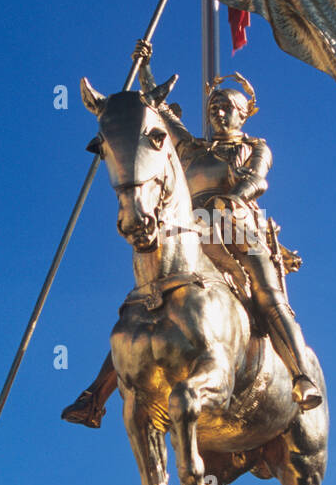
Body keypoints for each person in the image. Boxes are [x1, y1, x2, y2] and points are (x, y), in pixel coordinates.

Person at [62, 50, 322, 427]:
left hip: (235, 227)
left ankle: (301, 375)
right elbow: (159, 110)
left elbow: (257, 178)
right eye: (213, 106)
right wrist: (146, 66)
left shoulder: (254, 146)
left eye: (226, 107)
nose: (217, 112)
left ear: (242, 114)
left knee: (267, 295)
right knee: (146, 301)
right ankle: (95, 397)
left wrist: (234, 196)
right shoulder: (193, 148)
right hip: (189, 230)